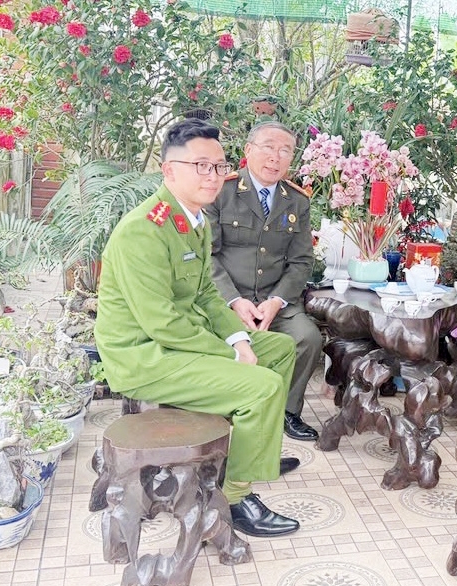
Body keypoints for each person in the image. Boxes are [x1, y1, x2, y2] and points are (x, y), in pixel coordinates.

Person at [94, 119, 301, 538]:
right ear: (169, 171)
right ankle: (235, 499)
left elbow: (206, 293)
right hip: (145, 356)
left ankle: (247, 450)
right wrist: (231, 354)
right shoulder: (144, 230)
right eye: (200, 166)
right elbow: (161, 323)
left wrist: (239, 338)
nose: (213, 176)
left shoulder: (194, 220)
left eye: (219, 166)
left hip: (179, 340)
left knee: (278, 348)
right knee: (261, 386)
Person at [207, 121, 322, 442]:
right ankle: (229, 408)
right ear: (248, 150)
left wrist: (276, 301)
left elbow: (301, 261)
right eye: (268, 147)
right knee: (217, 340)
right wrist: (233, 300)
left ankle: (287, 411)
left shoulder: (297, 200)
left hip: (276, 301)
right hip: (228, 298)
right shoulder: (222, 191)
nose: (276, 157)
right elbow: (207, 256)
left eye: (285, 151)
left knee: (308, 337)